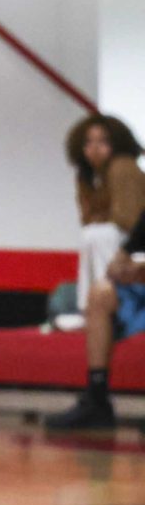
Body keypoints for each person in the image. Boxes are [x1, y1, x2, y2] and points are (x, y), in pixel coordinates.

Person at [45, 115, 145, 429]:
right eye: (88, 142)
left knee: (99, 235)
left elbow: (125, 219)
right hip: (133, 269)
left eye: (103, 141)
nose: (95, 149)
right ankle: (97, 398)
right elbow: (130, 230)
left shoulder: (124, 168)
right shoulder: (87, 176)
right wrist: (125, 259)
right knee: (100, 293)